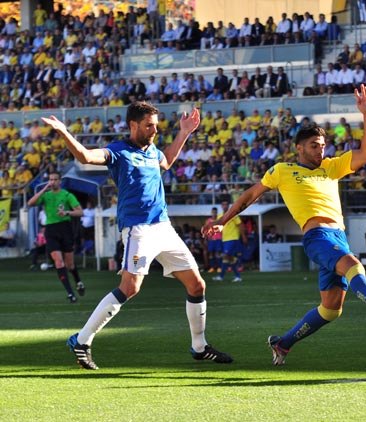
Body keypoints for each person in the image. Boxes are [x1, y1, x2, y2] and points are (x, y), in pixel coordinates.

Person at [202, 85, 366, 366]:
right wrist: (223, 220)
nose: (320, 151)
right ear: (299, 148)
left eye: (323, 146)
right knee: (354, 266)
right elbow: (250, 195)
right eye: (314, 146)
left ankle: (283, 343)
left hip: (338, 236)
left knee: (331, 310)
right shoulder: (282, 171)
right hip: (317, 236)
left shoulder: (332, 166)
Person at [41, 102, 232, 370]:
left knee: (197, 285)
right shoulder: (118, 152)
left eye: (155, 125)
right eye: (148, 125)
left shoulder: (152, 150)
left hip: (163, 226)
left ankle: (199, 347)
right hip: (138, 229)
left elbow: (167, 161)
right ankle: (82, 340)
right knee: (130, 288)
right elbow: (84, 156)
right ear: (133, 125)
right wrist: (63, 131)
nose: (154, 130)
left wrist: (185, 132)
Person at [27, 172, 85, 303]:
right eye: (50, 179)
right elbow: (31, 203)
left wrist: (67, 212)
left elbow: (80, 212)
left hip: (65, 228)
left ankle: (78, 281)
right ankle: (70, 293)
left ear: (60, 181)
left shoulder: (67, 195)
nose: (52, 182)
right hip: (51, 229)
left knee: (70, 265)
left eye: (55, 179)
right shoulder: (46, 195)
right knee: (59, 261)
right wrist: (43, 189)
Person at [213, 201, 247, 282]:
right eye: (223, 204)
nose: (225, 206)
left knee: (225, 255)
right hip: (224, 239)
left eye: (226, 204)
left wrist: (244, 236)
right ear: (221, 206)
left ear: (228, 205)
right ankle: (236, 276)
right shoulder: (220, 216)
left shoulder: (233, 214)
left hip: (233, 238)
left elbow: (240, 225)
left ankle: (235, 260)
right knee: (226, 259)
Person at [205, 207, 222, 272]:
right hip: (211, 239)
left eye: (215, 212)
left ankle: (219, 267)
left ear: (217, 213)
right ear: (211, 213)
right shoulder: (208, 220)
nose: (214, 214)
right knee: (211, 253)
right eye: (213, 212)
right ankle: (212, 267)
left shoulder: (219, 219)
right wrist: (206, 239)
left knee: (218, 253)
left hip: (218, 239)